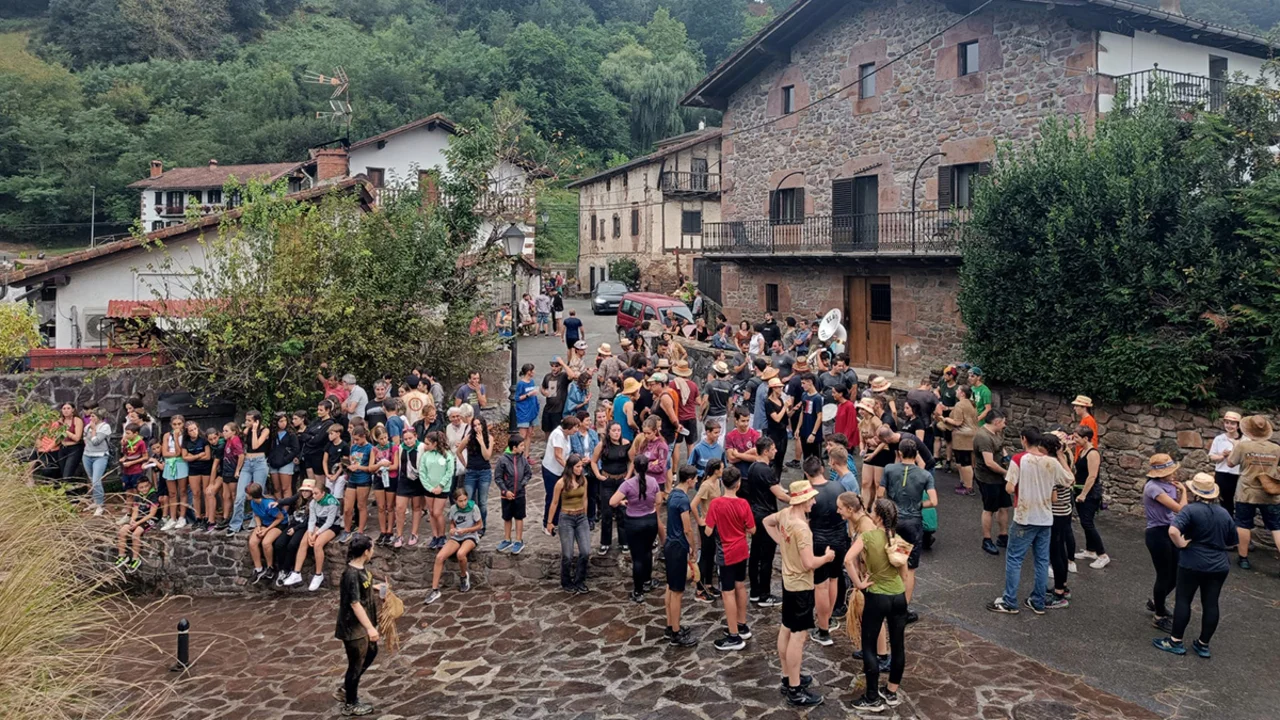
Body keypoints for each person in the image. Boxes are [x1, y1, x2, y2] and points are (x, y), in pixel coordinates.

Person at [762, 479, 831, 708]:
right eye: (811, 498)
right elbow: (809, 563)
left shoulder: (785, 515)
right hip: (801, 586)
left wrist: (782, 544)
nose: (814, 502)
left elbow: (766, 521)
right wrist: (827, 558)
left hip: (788, 581)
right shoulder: (802, 528)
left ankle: (787, 676)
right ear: (803, 500)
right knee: (798, 637)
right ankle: (795, 688)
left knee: (786, 628)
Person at [1153, 473, 1237, 658]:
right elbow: (1232, 541)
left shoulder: (1190, 510)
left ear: (1195, 492)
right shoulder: (1224, 513)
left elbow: (1173, 531)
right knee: (1211, 603)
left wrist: (1182, 545)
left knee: (1184, 600)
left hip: (1192, 561)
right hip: (1218, 564)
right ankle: (1203, 644)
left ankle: (1175, 641)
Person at [988, 432, 1073, 615]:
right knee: (1042, 560)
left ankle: (1010, 601)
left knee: (1014, 559)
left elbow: (1009, 487)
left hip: (1025, 517)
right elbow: (1069, 480)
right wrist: (1060, 457)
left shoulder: (1019, 459)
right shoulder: (1052, 462)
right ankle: (1038, 601)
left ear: (1024, 439)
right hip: (1045, 518)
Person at [847, 498, 909, 712]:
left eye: (873, 511)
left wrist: (859, 584)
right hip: (898, 596)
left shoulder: (867, 536)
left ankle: (872, 697)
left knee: (869, 646)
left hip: (876, 595)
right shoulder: (898, 540)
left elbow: (848, 560)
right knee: (898, 645)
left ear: (880, 517)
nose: (870, 514)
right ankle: (891, 691)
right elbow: (904, 574)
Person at [879, 437, 937, 622]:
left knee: (892, 561)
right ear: (916, 454)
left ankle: (887, 601)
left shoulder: (889, 469)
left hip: (893, 520)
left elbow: (880, 494)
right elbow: (934, 501)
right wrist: (919, 505)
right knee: (910, 567)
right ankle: (902, 609)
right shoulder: (925, 475)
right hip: (913, 523)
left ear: (900, 453)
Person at [705, 464, 756, 651]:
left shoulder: (716, 504)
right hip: (742, 550)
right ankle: (742, 625)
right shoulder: (744, 504)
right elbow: (752, 529)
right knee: (740, 586)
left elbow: (708, 531)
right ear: (738, 484)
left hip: (725, 553)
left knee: (727, 593)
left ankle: (734, 636)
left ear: (722, 482)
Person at [335, 533, 382, 717]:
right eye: (372, 548)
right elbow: (355, 603)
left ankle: (347, 688)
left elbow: (362, 588)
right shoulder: (351, 574)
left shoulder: (361, 569)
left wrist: (374, 587)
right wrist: (370, 628)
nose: (373, 551)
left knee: (372, 652)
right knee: (355, 665)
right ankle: (350, 703)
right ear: (366, 552)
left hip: (362, 625)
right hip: (353, 628)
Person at [1226, 414, 1280, 570]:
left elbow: (1230, 463)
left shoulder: (1243, 446)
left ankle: (1243, 559)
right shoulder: (1276, 448)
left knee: (1243, 524)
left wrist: (1235, 447)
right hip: (1270, 493)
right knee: (1277, 527)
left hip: (1246, 492)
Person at [804, 456, 847, 647]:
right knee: (834, 579)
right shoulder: (838, 487)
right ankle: (828, 619)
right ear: (822, 469)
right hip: (839, 540)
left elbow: (805, 521)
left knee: (820, 585)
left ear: (807, 474)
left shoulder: (809, 494)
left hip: (819, 542)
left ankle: (823, 630)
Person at [1141, 453, 1186, 632]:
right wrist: (1185, 492)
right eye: (1171, 472)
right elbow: (1180, 509)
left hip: (1169, 530)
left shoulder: (1169, 485)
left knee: (1177, 572)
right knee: (1164, 575)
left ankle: (1156, 602)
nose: (1174, 474)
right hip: (1157, 534)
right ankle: (1159, 616)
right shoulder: (1153, 488)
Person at [744, 437, 788, 607]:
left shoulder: (753, 467)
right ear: (766, 451)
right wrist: (798, 501)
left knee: (755, 553)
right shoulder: (766, 471)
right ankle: (764, 595)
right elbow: (780, 495)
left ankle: (755, 592)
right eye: (773, 448)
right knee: (767, 556)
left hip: (755, 513)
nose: (776, 451)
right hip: (766, 516)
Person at [611, 455, 660, 603]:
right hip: (650, 520)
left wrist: (624, 502)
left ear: (634, 467)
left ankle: (638, 591)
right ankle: (647, 581)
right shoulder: (653, 481)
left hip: (634, 522)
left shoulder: (628, 484)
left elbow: (612, 502)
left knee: (637, 557)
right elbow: (658, 500)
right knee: (647, 552)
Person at [663, 465, 700, 646]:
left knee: (670, 588)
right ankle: (676, 633)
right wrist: (693, 547)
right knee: (677, 591)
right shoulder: (683, 500)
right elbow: (687, 528)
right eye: (695, 478)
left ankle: (671, 625)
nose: (696, 481)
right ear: (689, 480)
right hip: (679, 547)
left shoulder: (672, 494)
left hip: (670, 545)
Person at [425, 487, 481, 604]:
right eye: (460, 501)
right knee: (439, 557)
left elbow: (479, 525)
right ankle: (435, 590)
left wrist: (465, 530)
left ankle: (463, 576)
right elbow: (452, 523)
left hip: (470, 536)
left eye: (465, 500)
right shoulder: (453, 509)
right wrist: (452, 529)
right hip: (456, 537)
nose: (463, 503)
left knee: (461, 554)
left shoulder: (474, 508)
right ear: (455, 501)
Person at [547, 454, 592, 593]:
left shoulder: (583, 480)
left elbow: (585, 498)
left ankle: (580, 580)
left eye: (581, 466)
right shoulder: (561, 483)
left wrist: (585, 515)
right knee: (567, 554)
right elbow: (554, 502)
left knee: (585, 551)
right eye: (577, 467)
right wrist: (549, 522)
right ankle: (566, 581)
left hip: (581, 517)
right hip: (566, 518)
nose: (580, 469)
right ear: (571, 467)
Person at [1070, 424, 1109, 568]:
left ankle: (1102, 554)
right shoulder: (1082, 451)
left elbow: (1092, 476)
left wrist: (1084, 494)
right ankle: (1090, 550)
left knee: (1087, 523)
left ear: (1086, 438)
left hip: (1090, 493)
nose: (1074, 440)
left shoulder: (1093, 453)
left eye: (1077, 437)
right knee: (1085, 521)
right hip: (1079, 489)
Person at [974, 410, 1010, 555]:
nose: (1004, 425)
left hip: (1000, 477)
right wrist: (1006, 472)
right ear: (996, 422)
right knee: (989, 509)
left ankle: (1003, 536)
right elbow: (989, 462)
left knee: (1004, 506)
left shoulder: (997, 432)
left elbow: (1001, 447)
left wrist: (1006, 458)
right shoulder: (983, 437)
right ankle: (987, 540)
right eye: (1003, 422)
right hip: (988, 478)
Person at [229, 411, 270, 536]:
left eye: (249, 420)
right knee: (240, 496)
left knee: (258, 494)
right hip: (247, 463)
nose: (246, 422)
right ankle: (236, 524)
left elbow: (255, 445)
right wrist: (247, 429)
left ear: (257, 421)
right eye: (246, 420)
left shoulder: (265, 430)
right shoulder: (247, 430)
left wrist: (254, 430)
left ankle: (256, 522)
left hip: (259, 462)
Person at [417, 431, 455, 551]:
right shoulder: (425, 455)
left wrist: (441, 486)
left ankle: (442, 535)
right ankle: (435, 536)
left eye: (428, 444)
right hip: (429, 488)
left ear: (435, 444)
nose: (425, 446)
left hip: (442, 489)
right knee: (432, 512)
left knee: (438, 512)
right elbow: (422, 472)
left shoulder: (447, 455)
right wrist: (429, 487)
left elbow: (449, 471)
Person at [495, 434, 531, 555]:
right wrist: (505, 491)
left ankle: (519, 540)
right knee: (507, 517)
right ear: (514, 447)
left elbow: (528, 474)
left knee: (519, 517)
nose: (523, 447)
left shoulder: (523, 459)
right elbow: (498, 478)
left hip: (520, 494)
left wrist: (522, 484)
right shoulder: (502, 460)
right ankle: (507, 539)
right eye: (521, 445)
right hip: (506, 495)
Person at [114, 477, 160, 573]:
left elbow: (152, 514)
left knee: (136, 533)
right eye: (141, 487)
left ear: (150, 485)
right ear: (138, 488)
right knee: (122, 531)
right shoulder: (137, 497)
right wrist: (132, 520)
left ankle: (135, 559)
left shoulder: (154, 495)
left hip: (151, 518)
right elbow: (135, 511)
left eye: (146, 486)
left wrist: (137, 524)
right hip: (139, 518)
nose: (144, 489)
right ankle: (122, 556)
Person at [245, 483, 287, 583]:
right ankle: (258, 568)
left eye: (247, 494)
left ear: (251, 495)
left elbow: (280, 518)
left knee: (266, 543)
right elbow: (256, 515)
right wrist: (258, 527)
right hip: (265, 523)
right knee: (252, 542)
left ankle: (270, 567)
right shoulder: (253, 502)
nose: (245, 495)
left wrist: (266, 530)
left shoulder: (268, 504)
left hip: (278, 524)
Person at [542, 416, 577, 532]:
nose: (576, 430)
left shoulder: (567, 435)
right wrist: (569, 468)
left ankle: (557, 521)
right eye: (575, 427)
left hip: (560, 470)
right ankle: (547, 523)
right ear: (569, 427)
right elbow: (558, 456)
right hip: (551, 470)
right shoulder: (558, 434)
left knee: (561, 497)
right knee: (552, 497)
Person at [462, 416, 494, 536]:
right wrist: (465, 464)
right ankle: (470, 524)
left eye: (479, 425)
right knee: (469, 499)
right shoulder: (469, 438)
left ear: (483, 425)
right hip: (471, 472)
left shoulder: (489, 438)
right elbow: (459, 451)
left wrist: (481, 442)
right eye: (474, 425)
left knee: (482, 502)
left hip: (484, 473)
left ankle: (482, 525)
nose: (477, 427)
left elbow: (487, 456)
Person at [945, 385, 979, 495]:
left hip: (963, 436)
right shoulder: (972, 404)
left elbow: (958, 422)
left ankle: (969, 487)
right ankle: (964, 483)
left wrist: (946, 419)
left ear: (962, 393)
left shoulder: (960, 405)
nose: (956, 391)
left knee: (965, 462)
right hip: (970, 435)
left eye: (958, 390)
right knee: (961, 462)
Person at [1207, 411, 1242, 517]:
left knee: (1241, 501)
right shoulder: (1219, 439)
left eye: (1232, 423)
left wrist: (1234, 454)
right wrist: (1222, 455)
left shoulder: (1244, 440)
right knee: (1225, 501)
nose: (1229, 426)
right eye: (1227, 423)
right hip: (1222, 473)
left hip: (1239, 474)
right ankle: (1226, 521)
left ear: (1238, 425)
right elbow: (1212, 456)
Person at [160, 414, 190, 531]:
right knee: (172, 493)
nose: (177, 426)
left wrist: (177, 438)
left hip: (181, 463)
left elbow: (180, 452)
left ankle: (182, 517)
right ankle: (172, 518)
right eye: (174, 424)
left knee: (182, 491)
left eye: (179, 424)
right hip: (170, 464)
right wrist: (174, 454)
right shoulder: (167, 435)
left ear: (183, 424)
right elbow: (165, 452)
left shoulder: (185, 435)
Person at [81, 407, 112, 516]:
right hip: (87, 455)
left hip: (100, 456)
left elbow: (96, 441)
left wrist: (94, 430)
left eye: (93, 416)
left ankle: (100, 505)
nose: (90, 418)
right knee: (91, 479)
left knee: (96, 480)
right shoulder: (87, 426)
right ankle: (96, 501)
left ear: (99, 417)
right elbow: (85, 438)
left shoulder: (105, 427)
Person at [725, 406, 762, 478]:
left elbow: (757, 458)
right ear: (736, 420)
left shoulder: (755, 434)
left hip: (753, 473)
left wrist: (737, 455)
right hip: (737, 475)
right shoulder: (730, 436)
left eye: (747, 420)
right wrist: (750, 452)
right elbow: (731, 459)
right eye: (743, 421)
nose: (746, 424)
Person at [797, 373, 823, 461]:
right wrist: (798, 428)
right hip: (804, 431)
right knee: (806, 457)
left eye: (803, 383)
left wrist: (813, 433)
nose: (802, 385)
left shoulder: (817, 398)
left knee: (816, 458)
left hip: (814, 433)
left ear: (810, 382)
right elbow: (802, 412)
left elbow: (819, 417)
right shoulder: (804, 395)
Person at [541, 358, 570, 434]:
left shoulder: (563, 376)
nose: (554, 368)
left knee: (557, 431)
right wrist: (544, 392)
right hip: (548, 408)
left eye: (556, 366)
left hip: (559, 409)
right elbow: (542, 387)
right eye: (552, 366)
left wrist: (563, 364)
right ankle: (548, 441)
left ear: (560, 367)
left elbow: (572, 375)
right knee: (547, 430)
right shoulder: (547, 376)